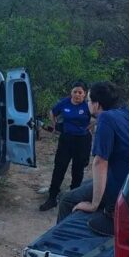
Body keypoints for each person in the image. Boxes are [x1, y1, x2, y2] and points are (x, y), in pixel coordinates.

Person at [37, 81, 129, 257]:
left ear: (97, 104)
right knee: (83, 188)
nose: (87, 104)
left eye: (89, 100)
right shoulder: (126, 112)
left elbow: (100, 162)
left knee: (68, 200)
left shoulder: (106, 118)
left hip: (127, 187)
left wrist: (94, 204)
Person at [39, 81, 93, 212]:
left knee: (78, 170)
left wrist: (89, 126)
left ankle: (74, 199)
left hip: (82, 141)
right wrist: (55, 125)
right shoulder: (64, 103)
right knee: (59, 168)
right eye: (75, 92)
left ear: (84, 94)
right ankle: (52, 198)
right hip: (66, 139)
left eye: (80, 92)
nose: (77, 95)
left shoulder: (87, 106)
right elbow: (52, 112)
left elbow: (98, 117)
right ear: (71, 92)